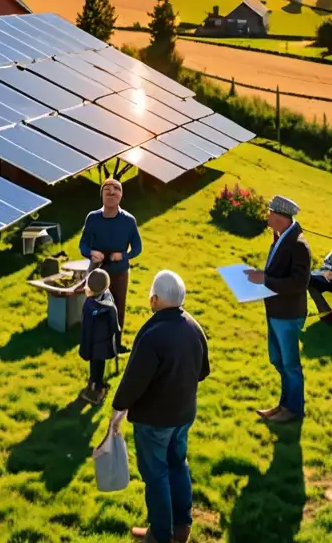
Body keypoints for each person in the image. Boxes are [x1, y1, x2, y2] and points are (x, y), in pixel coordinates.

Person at [107, 270, 210, 543]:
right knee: (178, 465)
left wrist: (119, 408)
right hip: (184, 414)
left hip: (154, 421)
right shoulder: (193, 326)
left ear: (154, 299)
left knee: (157, 476)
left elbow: (135, 380)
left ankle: (160, 534)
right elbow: (203, 371)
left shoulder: (153, 334)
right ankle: (182, 527)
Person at [245, 195, 311, 424]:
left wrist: (264, 280)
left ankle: (293, 410)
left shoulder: (298, 245)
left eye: (270, 212)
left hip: (289, 315)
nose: (267, 216)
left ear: (281, 217)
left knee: (290, 364)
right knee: (278, 360)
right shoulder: (281, 238)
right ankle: (284, 405)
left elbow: (299, 283)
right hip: (276, 312)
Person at [79, 177, 143, 352]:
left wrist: (123, 255)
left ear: (121, 196)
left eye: (116, 189)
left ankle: (117, 344)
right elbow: (82, 245)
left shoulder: (128, 220)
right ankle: (94, 343)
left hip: (119, 272)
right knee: (95, 307)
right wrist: (91, 253)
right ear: (102, 195)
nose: (112, 192)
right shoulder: (92, 218)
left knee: (118, 308)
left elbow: (138, 247)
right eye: (107, 189)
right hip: (97, 273)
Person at [79, 267, 120, 405]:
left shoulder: (89, 304)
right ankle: (97, 387)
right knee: (99, 365)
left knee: (94, 364)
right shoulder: (108, 304)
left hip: (91, 342)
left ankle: (93, 383)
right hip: (102, 344)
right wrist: (116, 333)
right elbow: (114, 324)